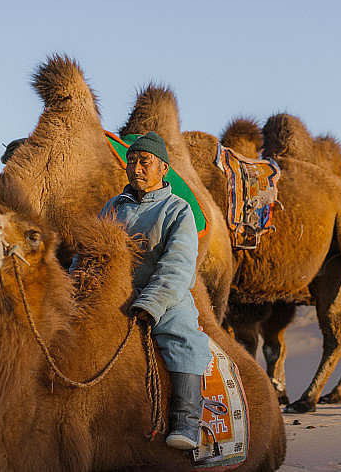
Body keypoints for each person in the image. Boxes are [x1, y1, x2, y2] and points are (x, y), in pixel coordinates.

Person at [73, 131, 212, 450]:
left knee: (181, 336)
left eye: (144, 161)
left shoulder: (178, 211)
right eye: (131, 160)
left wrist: (152, 302)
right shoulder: (114, 206)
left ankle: (187, 420)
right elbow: (88, 252)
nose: (135, 167)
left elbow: (178, 265)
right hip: (114, 291)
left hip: (163, 292)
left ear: (163, 168)